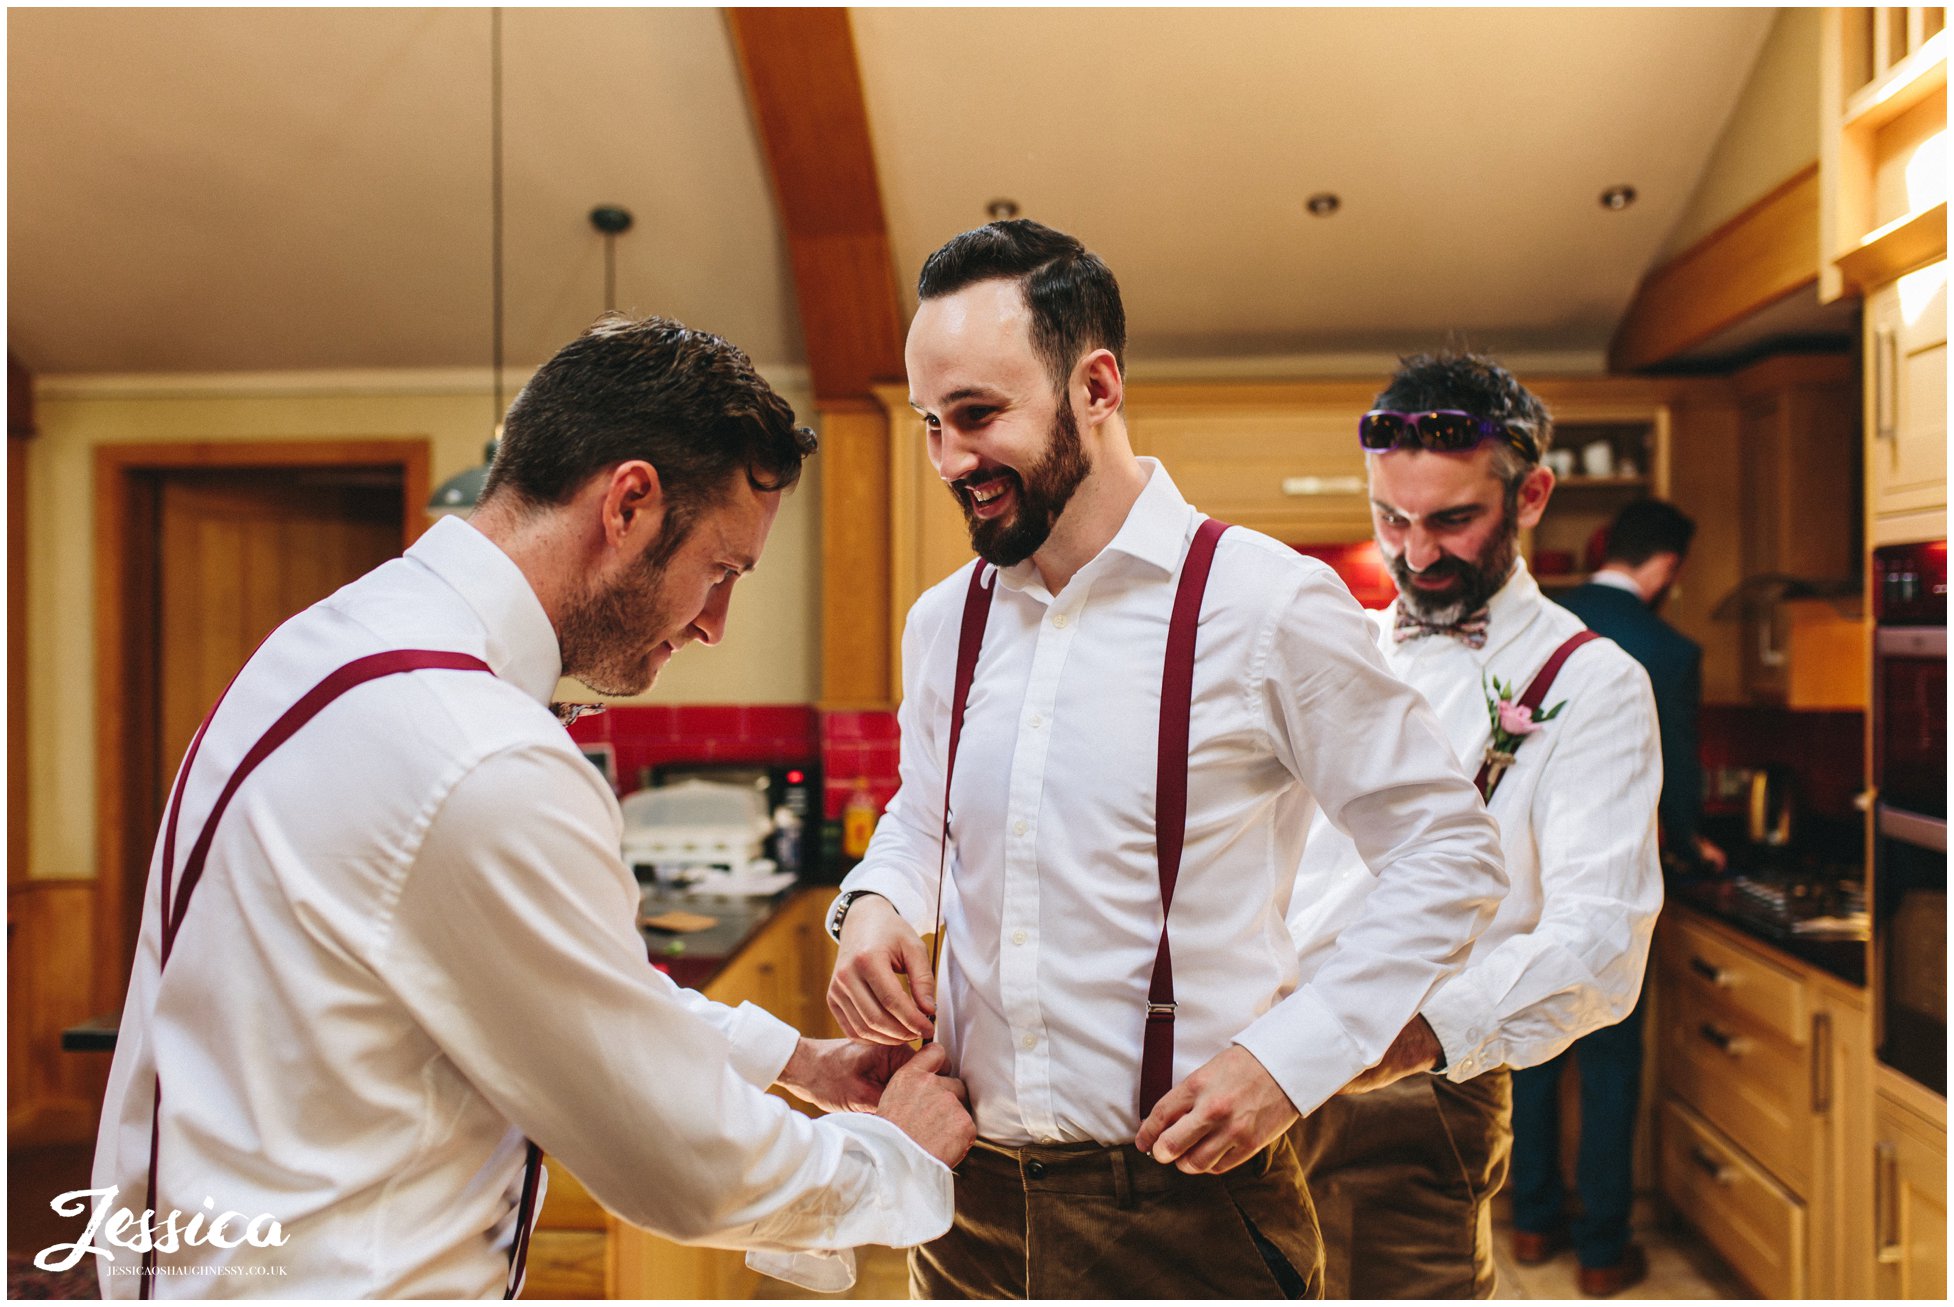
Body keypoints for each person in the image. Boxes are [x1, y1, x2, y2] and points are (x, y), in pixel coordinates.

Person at [92, 314, 974, 1299]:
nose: (716, 623)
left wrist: (796, 1060)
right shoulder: (483, 754)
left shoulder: (334, 639)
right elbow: (676, 1153)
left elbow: (554, 983)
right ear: (628, 502)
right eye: (720, 569)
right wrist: (892, 1158)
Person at [824, 220, 1510, 1300]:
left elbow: (1448, 852)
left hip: (1186, 1210)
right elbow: (927, 811)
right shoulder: (941, 621)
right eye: (928, 425)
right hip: (964, 1205)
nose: (952, 460)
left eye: (978, 416)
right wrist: (871, 902)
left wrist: (1292, 1061)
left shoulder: (1266, 604)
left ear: (1095, 385)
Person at [1287, 353, 1664, 1299]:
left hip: (1413, 1104)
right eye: (1391, 519)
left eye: (1453, 519)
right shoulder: (1340, 647)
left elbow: (1599, 943)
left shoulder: (1594, 682)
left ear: (1531, 494)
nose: (1415, 555)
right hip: (1254, 1064)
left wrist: (1401, 1039)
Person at [1506, 497, 1713, 1297]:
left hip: (1532, 876)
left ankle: (1529, 1222)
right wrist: (1692, 842)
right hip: (1619, 884)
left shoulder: (1541, 623)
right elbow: (1679, 777)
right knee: (1610, 1064)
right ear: (1667, 568)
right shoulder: (1669, 649)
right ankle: (1600, 1249)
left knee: (1530, 1049)